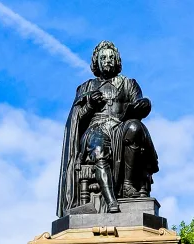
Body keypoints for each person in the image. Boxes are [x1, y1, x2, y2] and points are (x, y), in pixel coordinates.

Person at [57, 40, 159, 216]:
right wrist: (89, 105)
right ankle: (111, 201)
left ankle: (128, 186)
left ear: (117, 61)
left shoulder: (128, 84)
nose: (107, 61)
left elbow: (139, 106)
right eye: (103, 58)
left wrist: (144, 104)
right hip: (96, 128)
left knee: (135, 127)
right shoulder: (86, 87)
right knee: (98, 149)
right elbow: (77, 119)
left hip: (120, 125)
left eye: (111, 57)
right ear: (96, 61)